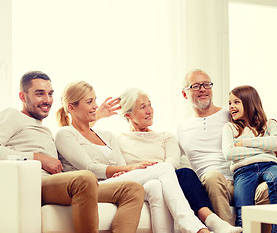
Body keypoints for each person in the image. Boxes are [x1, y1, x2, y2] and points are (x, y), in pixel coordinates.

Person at [0, 71, 145, 233]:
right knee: (85, 177)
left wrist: (96, 116)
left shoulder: (46, 130)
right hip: (34, 183)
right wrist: (37, 158)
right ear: (22, 96)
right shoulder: (13, 115)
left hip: (58, 184)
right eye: (39, 94)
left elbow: (77, 137)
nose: (47, 100)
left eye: (50, 94)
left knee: (132, 189)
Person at [55, 81, 211, 233]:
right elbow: (89, 168)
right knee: (163, 168)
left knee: (156, 185)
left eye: (95, 100)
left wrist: (123, 170)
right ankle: (190, 224)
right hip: (91, 187)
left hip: (114, 184)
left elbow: (121, 166)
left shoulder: (107, 135)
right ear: (71, 108)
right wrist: (128, 168)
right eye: (89, 101)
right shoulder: (65, 134)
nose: (96, 105)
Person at [178, 69, 277, 230]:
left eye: (206, 84)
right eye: (195, 86)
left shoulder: (231, 114)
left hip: (244, 176)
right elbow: (172, 161)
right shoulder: (180, 129)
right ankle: (228, 229)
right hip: (214, 186)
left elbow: (271, 149)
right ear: (184, 94)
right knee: (212, 177)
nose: (203, 89)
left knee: (270, 184)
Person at [115, 87, 242, 233]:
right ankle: (204, 226)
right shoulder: (119, 140)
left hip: (167, 181)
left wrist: (159, 171)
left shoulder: (165, 136)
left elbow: (172, 163)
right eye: (142, 107)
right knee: (160, 180)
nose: (149, 110)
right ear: (128, 115)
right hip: (140, 184)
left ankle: (211, 220)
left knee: (185, 173)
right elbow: (120, 169)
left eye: (150, 104)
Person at [222, 85, 277, 232]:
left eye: (236, 102)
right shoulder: (230, 127)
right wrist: (264, 147)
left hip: (269, 165)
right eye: (229, 103)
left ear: (249, 101)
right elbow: (229, 153)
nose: (231, 106)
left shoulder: (269, 124)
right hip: (243, 171)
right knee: (243, 215)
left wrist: (244, 143)